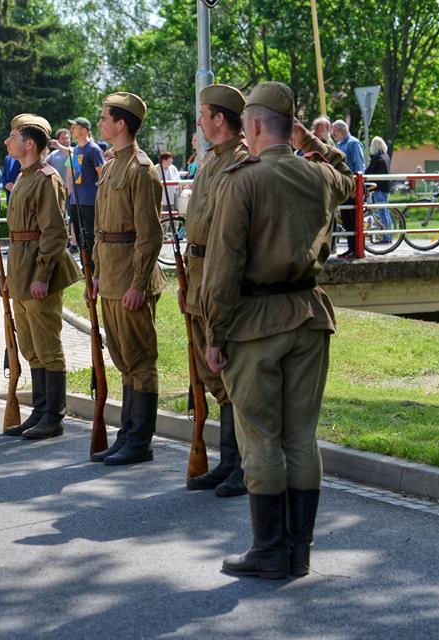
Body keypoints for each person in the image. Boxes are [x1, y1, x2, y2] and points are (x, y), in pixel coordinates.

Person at [202, 82, 354, 579]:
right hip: (310, 315)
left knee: (261, 438)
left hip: (255, 323)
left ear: (253, 126)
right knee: (301, 437)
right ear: (291, 128)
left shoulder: (240, 180)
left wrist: (214, 335)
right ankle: (299, 550)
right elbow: (348, 174)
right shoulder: (318, 176)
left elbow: (223, 269)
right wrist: (311, 139)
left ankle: (268, 550)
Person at [87, 93, 166, 467]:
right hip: (113, 276)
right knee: (122, 358)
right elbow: (103, 230)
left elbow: (149, 235)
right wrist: (98, 275)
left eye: (104, 118)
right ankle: (127, 433)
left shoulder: (140, 169)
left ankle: (140, 439)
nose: (100, 122)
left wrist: (138, 283)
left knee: (140, 360)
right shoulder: (114, 165)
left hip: (133, 279)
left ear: (121, 124)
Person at [181, 84, 250, 497]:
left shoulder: (242, 161)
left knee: (233, 372)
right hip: (198, 269)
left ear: (220, 119)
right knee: (213, 374)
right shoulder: (208, 161)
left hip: (221, 271)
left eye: (203, 114)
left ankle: (243, 464)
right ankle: (228, 462)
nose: (200, 122)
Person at [1, 114, 82, 439]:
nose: (8, 142)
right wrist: (9, 276)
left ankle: (53, 415)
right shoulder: (23, 176)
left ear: (29, 144)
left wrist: (42, 275)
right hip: (22, 267)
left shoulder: (47, 178)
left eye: (13, 137)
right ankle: (39, 409)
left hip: (38, 269)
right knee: (30, 345)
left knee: (47, 344)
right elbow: (18, 235)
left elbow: (53, 232)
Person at [67, 116, 106, 270]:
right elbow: (74, 175)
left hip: (90, 201)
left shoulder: (94, 149)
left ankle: (95, 267)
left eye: (74, 127)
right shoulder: (76, 149)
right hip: (76, 201)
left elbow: (101, 175)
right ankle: (86, 267)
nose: (71, 130)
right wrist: (71, 195)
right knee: (80, 235)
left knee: (91, 235)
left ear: (83, 130)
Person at [331, 119, 365, 258]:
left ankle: (356, 249)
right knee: (346, 219)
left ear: (341, 130)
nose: (333, 135)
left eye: (334, 132)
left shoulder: (353, 143)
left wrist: (357, 188)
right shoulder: (340, 144)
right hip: (343, 188)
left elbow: (359, 166)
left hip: (352, 188)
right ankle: (351, 248)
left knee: (353, 218)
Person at [366, 137, 393, 243]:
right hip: (386, 187)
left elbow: (369, 171)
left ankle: (386, 238)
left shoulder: (376, 158)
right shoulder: (386, 156)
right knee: (385, 212)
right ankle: (389, 236)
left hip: (379, 188)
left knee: (382, 212)